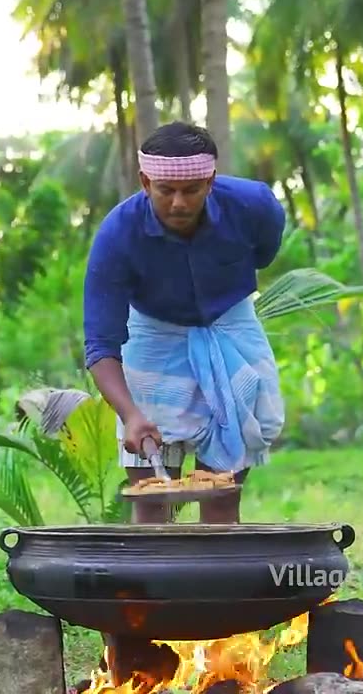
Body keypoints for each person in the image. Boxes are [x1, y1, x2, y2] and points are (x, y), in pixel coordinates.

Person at [83, 121, 287, 524]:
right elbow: (101, 345)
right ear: (145, 182)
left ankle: (215, 583)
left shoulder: (254, 206)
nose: (179, 203)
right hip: (153, 333)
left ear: (210, 180)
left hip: (230, 324)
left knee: (223, 493)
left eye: (191, 190)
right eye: (166, 191)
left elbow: (264, 254)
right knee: (152, 498)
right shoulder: (116, 236)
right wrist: (131, 415)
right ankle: (159, 584)